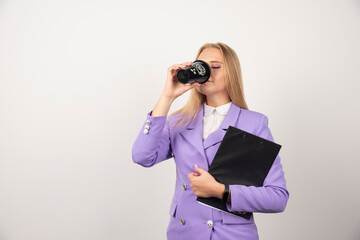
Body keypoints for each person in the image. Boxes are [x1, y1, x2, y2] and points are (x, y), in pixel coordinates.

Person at [132, 42, 289, 240]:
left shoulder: (254, 124)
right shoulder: (179, 121)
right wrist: (167, 96)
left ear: (231, 73)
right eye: (201, 66)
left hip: (231, 236)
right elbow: (142, 156)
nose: (207, 72)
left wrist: (221, 191)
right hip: (184, 234)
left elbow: (277, 198)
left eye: (215, 67)